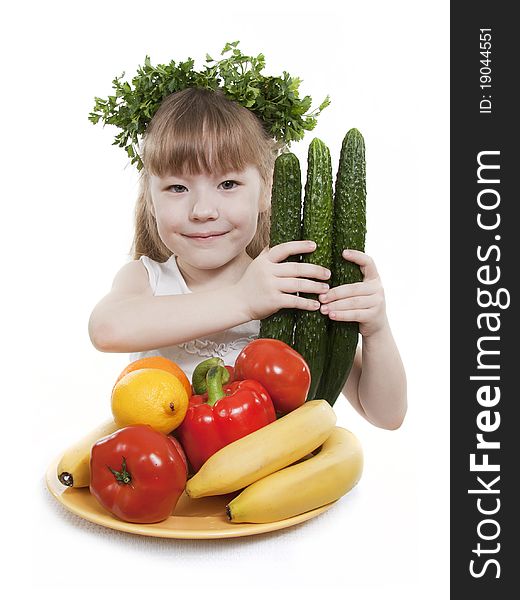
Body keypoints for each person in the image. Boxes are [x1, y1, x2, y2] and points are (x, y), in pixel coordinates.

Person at [88, 87, 407, 430]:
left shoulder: (293, 284)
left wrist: (376, 328)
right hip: (164, 478)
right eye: (177, 188)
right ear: (150, 198)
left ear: (265, 190)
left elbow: (386, 414)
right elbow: (107, 329)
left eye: (227, 184)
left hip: (274, 479)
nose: (203, 211)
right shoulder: (147, 278)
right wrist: (244, 300)